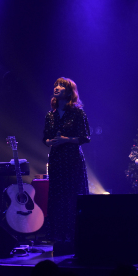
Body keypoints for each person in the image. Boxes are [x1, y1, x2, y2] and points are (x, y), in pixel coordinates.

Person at [43, 77, 91, 250]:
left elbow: (85, 137)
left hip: (72, 159)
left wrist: (66, 139)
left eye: (61, 86)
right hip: (56, 159)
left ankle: (74, 235)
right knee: (58, 197)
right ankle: (59, 236)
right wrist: (50, 142)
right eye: (56, 85)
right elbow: (45, 138)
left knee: (72, 195)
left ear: (70, 92)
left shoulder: (78, 113)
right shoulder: (50, 115)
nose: (57, 87)